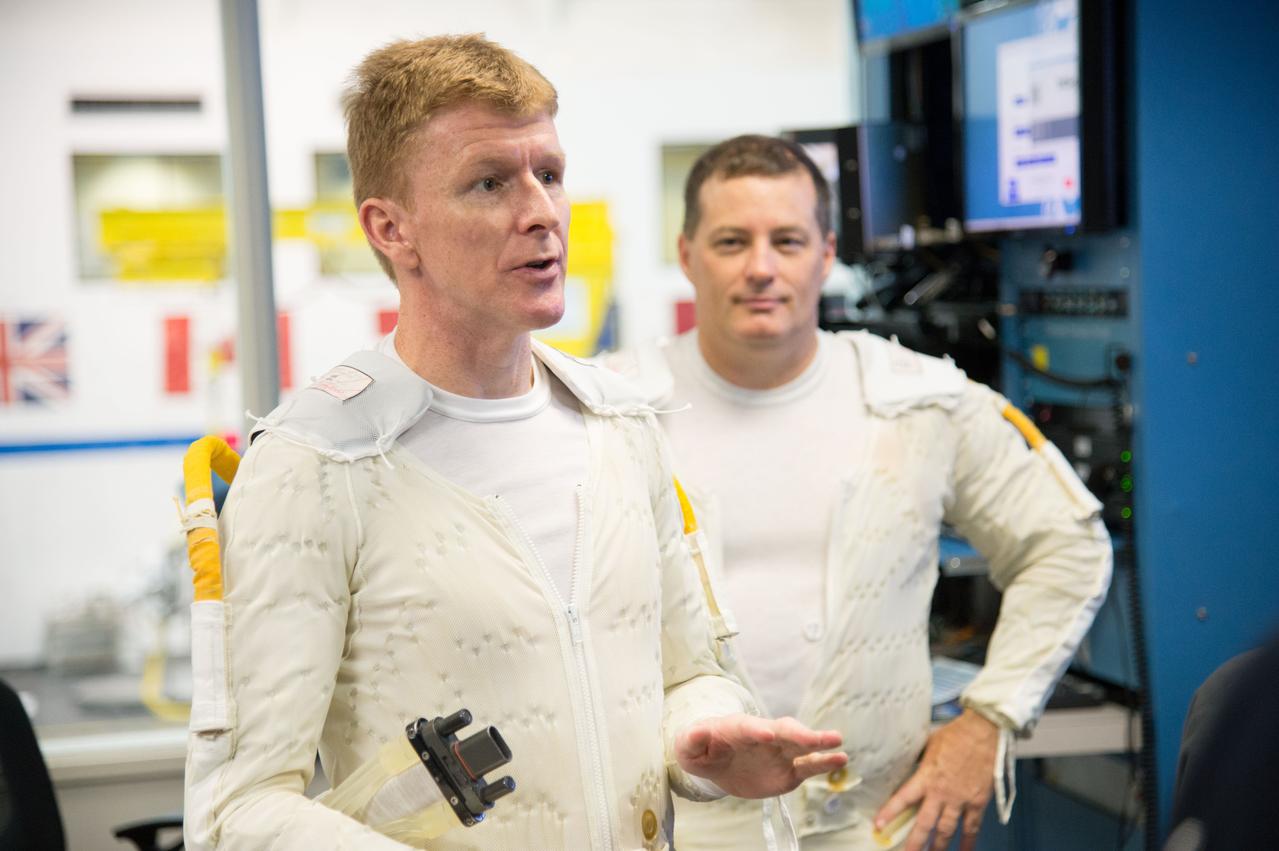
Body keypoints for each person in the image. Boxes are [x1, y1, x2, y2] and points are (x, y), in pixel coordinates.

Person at [183, 42, 846, 851]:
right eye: (489, 182)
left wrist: (702, 742)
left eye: (551, 174)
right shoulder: (316, 465)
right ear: (391, 228)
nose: (542, 212)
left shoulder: (617, 424)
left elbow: (688, 672)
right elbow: (238, 811)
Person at [602, 135, 1113, 851]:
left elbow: (1066, 544)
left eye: (786, 239)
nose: (760, 267)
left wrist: (986, 721)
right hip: (674, 827)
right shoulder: (608, 412)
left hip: (873, 826)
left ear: (825, 251)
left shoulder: (920, 402)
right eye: (729, 241)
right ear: (687, 254)